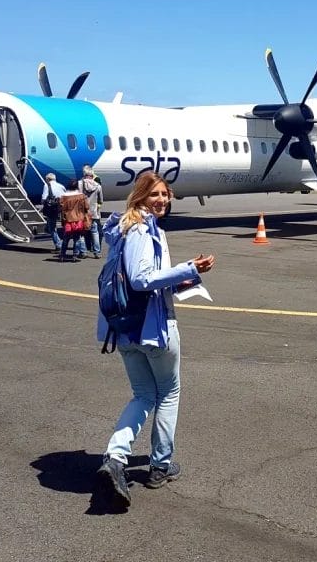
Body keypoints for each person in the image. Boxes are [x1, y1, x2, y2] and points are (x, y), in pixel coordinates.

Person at [95, 172, 215, 510]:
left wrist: (178, 282)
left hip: (124, 329)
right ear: (141, 197)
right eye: (154, 195)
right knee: (168, 393)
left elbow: (140, 280)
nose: (161, 200)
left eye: (165, 194)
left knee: (144, 394)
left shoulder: (120, 232)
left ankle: (116, 458)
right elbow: (142, 278)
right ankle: (160, 465)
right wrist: (189, 269)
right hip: (152, 328)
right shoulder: (142, 231)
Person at [58, 180, 89, 261]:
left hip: (68, 220)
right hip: (79, 219)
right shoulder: (82, 196)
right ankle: (75, 255)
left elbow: (61, 208)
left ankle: (62, 255)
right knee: (77, 238)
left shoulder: (64, 196)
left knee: (66, 238)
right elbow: (87, 207)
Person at [79, 166, 104, 259]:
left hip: (82, 212)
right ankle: (97, 252)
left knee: (81, 232)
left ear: (84, 174)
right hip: (93, 213)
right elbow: (101, 200)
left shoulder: (79, 184)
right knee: (95, 232)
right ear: (92, 175)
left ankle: (83, 251)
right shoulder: (98, 186)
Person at [40, 172, 66, 251]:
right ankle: (47, 228)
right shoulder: (61, 186)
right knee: (61, 226)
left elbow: (44, 198)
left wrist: (42, 203)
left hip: (52, 208)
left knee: (52, 228)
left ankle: (58, 244)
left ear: (47, 179)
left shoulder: (47, 185)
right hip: (60, 208)